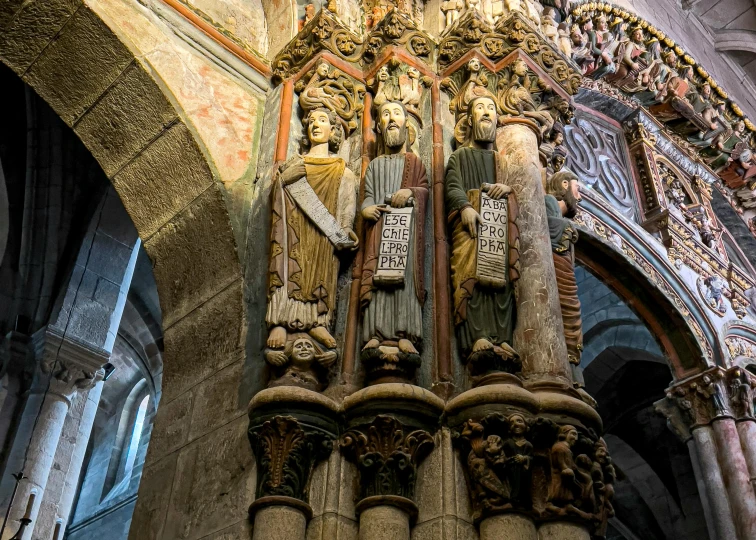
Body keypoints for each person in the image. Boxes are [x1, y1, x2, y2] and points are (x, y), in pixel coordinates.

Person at [266, 108, 358, 352]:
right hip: (293, 228)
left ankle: (317, 321)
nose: (316, 125)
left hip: (323, 236)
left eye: (323, 120)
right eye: (311, 121)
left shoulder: (342, 171)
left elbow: (346, 204)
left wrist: (346, 230)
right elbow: (279, 200)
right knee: (287, 264)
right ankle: (280, 320)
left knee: (321, 268)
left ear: (333, 130)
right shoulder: (295, 164)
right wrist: (283, 182)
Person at [445, 95, 520, 364]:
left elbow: (521, 196)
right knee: (471, 277)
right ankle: (476, 336)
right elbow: (452, 185)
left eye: (491, 108)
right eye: (480, 108)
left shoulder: (502, 161)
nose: (486, 113)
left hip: (498, 226)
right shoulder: (460, 155)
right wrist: (464, 207)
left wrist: (508, 190)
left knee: (501, 283)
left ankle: (502, 338)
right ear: (470, 120)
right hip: (471, 227)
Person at [360, 101, 428, 360]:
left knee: (404, 282)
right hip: (378, 228)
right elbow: (367, 196)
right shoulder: (375, 165)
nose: (391, 119)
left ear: (405, 125)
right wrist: (367, 209)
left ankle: (405, 335)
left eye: (396, 114)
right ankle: (375, 333)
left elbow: (424, 190)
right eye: (385, 115)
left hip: (405, 231)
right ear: (379, 126)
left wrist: (410, 192)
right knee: (378, 280)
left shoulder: (414, 162)